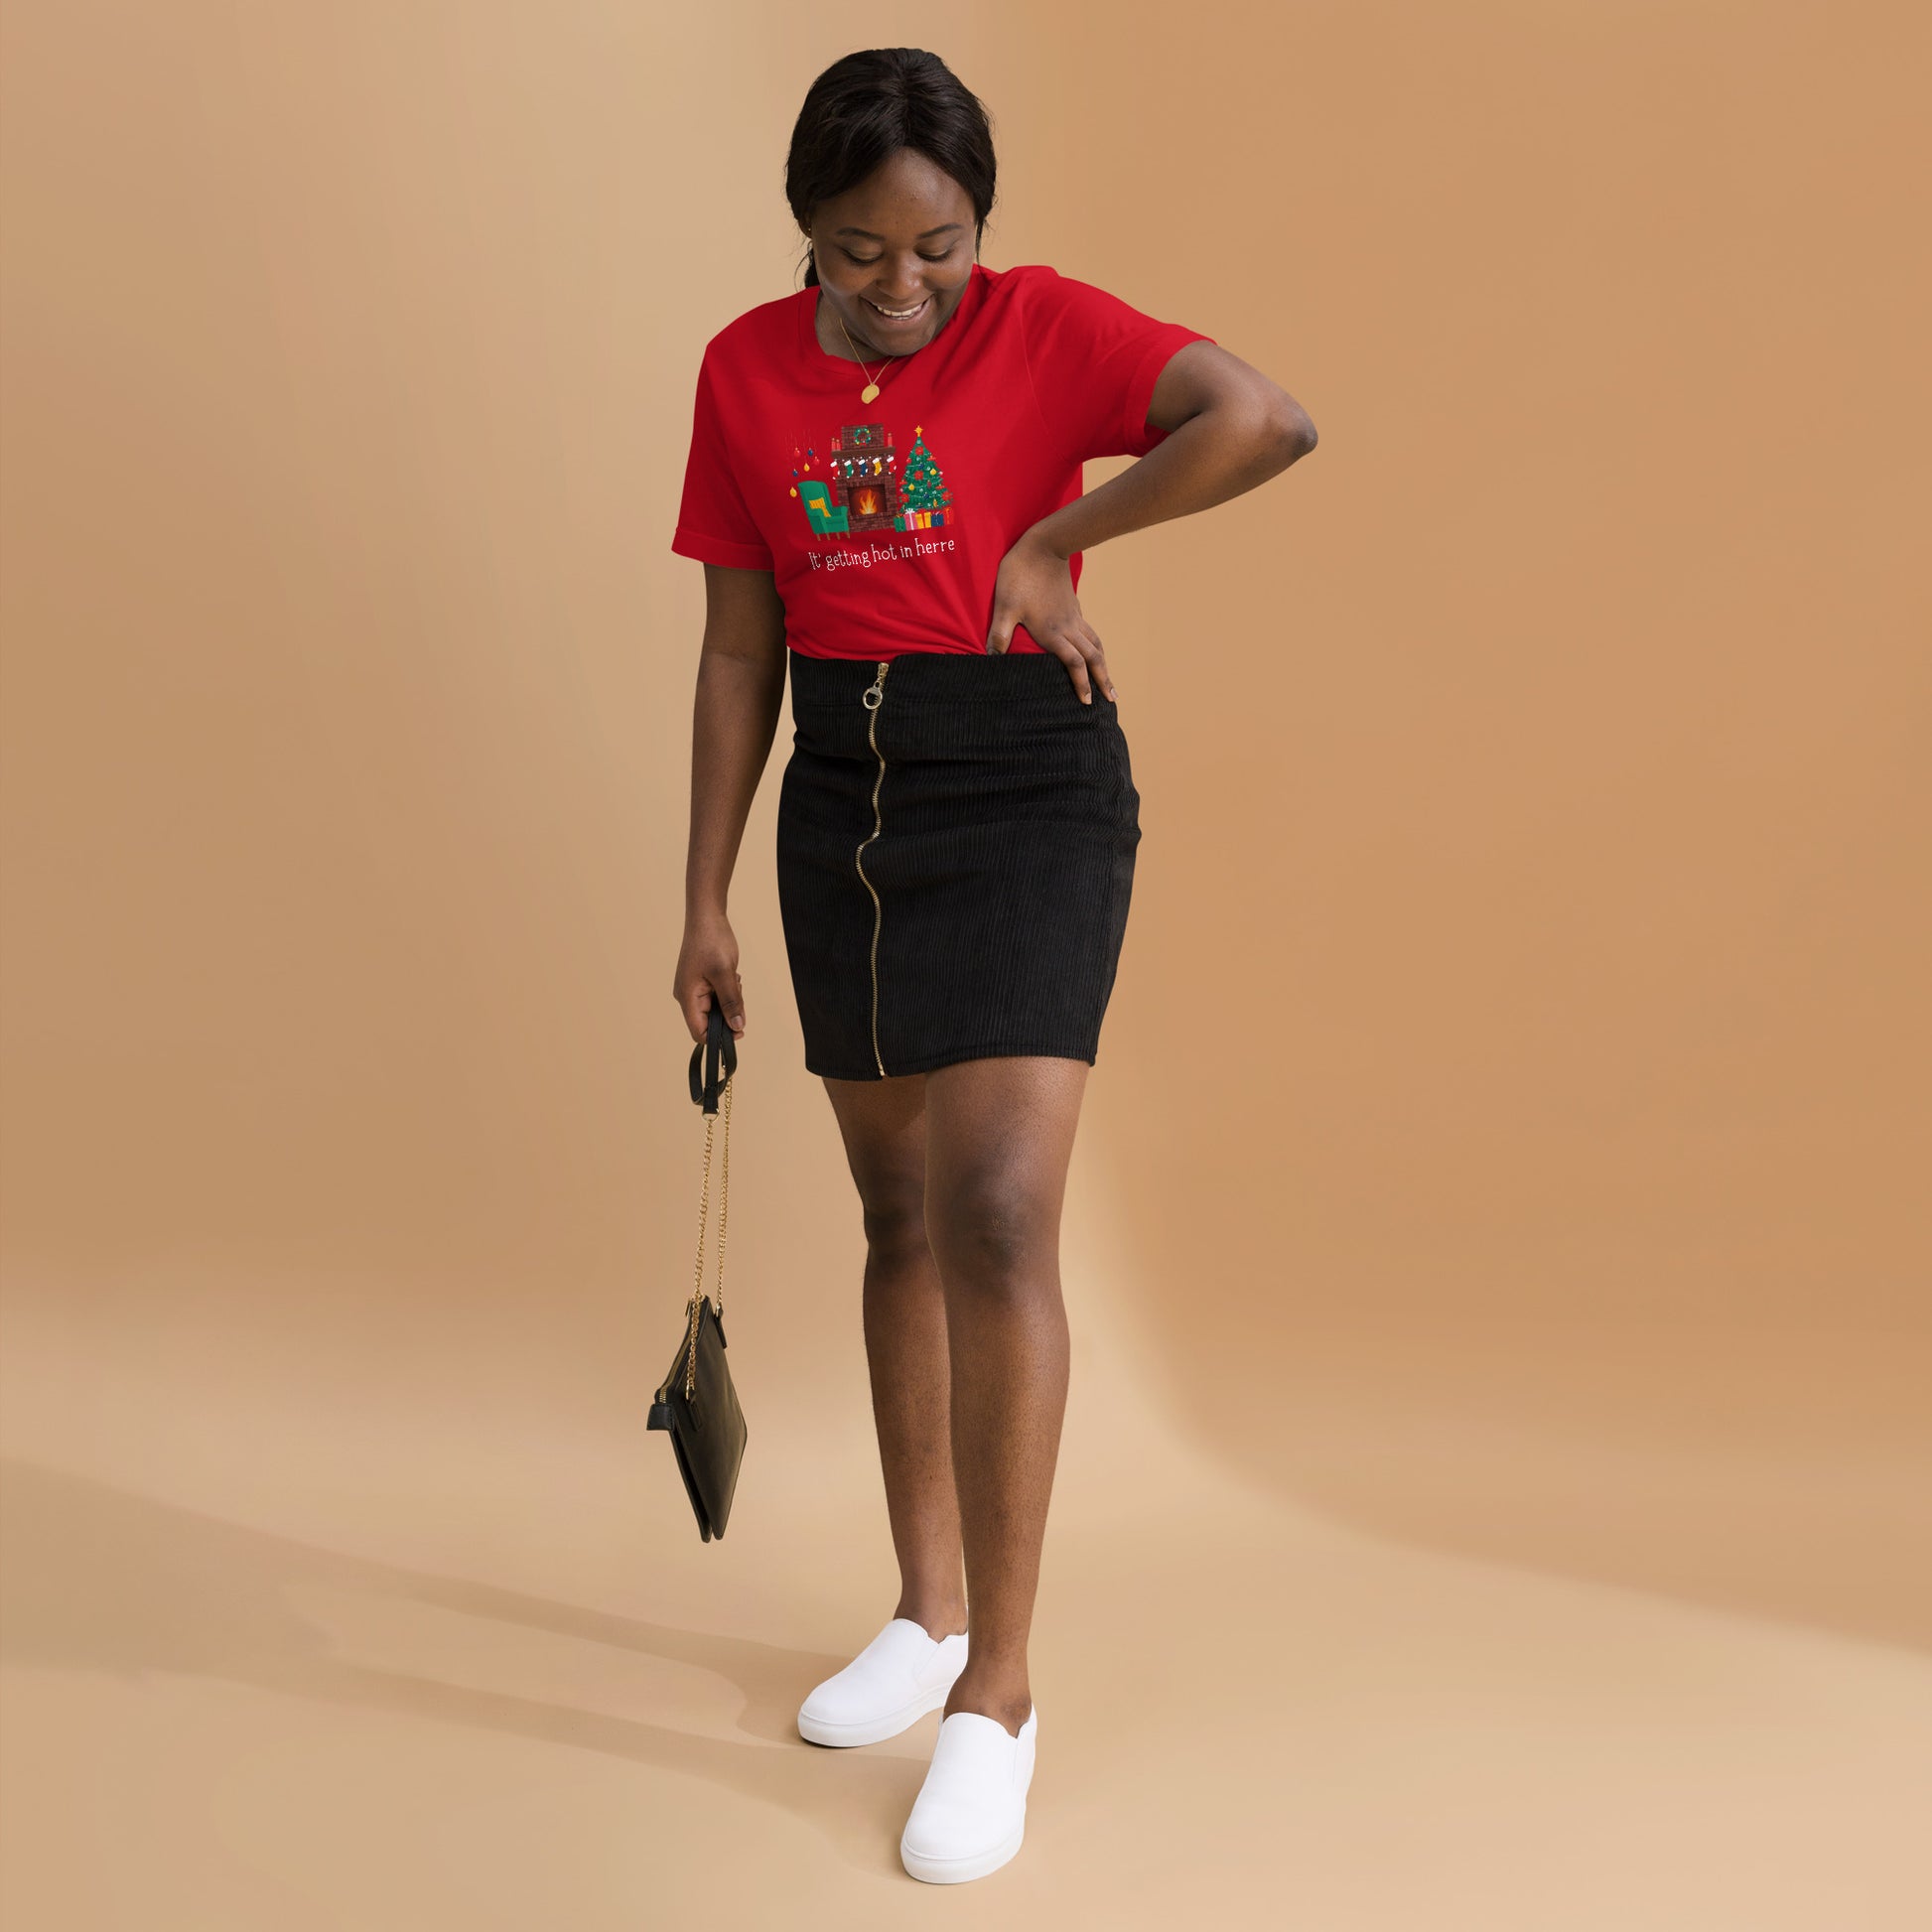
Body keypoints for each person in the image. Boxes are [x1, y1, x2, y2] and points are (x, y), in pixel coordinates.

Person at [669, 47, 1315, 1885]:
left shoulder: (1045, 329)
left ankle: (1000, 1699)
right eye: (857, 254)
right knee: (893, 1223)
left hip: (1026, 775)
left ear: (981, 229)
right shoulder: (738, 370)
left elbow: (1263, 417)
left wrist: (1062, 535)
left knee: (1001, 1214)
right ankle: (927, 1612)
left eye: (934, 250)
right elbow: (736, 649)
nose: (898, 291)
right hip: (844, 794)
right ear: (804, 229)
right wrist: (704, 899)